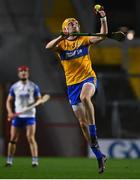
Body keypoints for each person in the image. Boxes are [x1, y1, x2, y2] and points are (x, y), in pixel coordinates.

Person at [45, 6, 108, 174]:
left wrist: (103, 18)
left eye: (75, 23)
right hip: (71, 85)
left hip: (88, 79)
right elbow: (47, 47)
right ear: (65, 28)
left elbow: (102, 35)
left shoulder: (84, 39)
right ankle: (99, 155)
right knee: (81, 124)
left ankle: (94, 131)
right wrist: (61, 36)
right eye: (70, 23)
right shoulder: (62, 44)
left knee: (85, 98)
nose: (74, 24)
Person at [6, 65, 41, 167]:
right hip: (17, 116)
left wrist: (39, 101)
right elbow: (8, 101)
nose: (23, 73)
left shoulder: (34, 86)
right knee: (13, 139)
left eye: (25, 71)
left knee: (30, 138)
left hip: (30, 116)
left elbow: (39, 99)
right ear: (19, 73)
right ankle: (9, 161)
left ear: (28, 73)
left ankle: (35, 161)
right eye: (21, 71)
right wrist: (9, 112)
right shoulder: (14, 87)